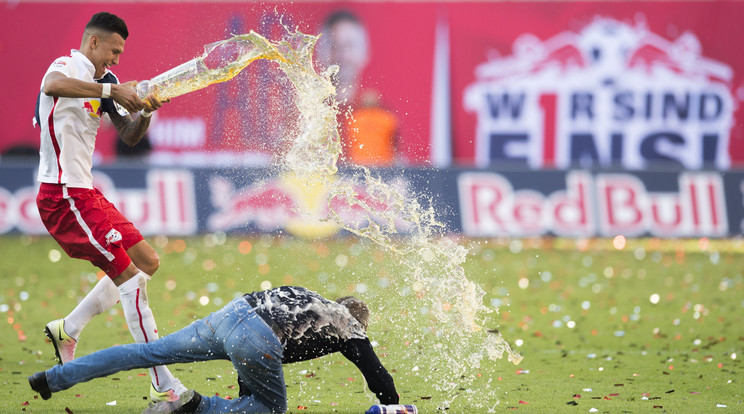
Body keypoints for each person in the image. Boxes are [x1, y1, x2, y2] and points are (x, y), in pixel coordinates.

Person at [33, 12, 186, 402]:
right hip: (62, 195)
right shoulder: (66, 66)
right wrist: (110, 93)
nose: (116, 60)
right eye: (113, 51)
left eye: (121, 53)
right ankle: (163, 383)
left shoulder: (108, 82)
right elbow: (52, 86)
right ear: (94, 42)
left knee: (147, 262)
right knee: (132, 280)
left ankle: (69, 327)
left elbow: (130, 136)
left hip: (86, 193)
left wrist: (147, 110)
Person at [28, 286, 400, 413]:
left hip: (231, 313)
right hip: (257, 339)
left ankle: (52, 377)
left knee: (148, 352)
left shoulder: (313, 300)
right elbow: (378, 376)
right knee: (272, 409)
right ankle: (194, 405)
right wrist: (394, 404)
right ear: (359, 323)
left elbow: (261, 349)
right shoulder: (348, 327)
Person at [317, 10, 400, 167]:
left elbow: (394, 176)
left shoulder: (379, 113)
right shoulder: (307, 112)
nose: (343, 56)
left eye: (350, 46)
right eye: (335, 46)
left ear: (365, 52)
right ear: (320, 52)